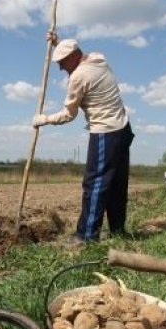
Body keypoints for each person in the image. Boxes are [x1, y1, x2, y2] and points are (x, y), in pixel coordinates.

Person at [32, 33, 134, 243]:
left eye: (61, 63)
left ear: (71, 58)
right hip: (123, 129)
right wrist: (57, 44)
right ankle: (117, 231)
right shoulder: (99, 59)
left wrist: (44, 119)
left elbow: (69, 114)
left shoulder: (78, 77)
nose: (61, 69)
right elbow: (78, 53)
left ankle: (86, 235)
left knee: (95, 183)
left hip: (105, 132)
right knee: (115, 184)